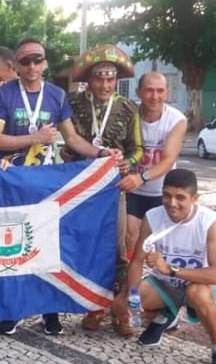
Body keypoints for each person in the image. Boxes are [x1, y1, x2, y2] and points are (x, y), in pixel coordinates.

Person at [0, 38, 122, 336]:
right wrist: (33, 138)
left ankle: (50, 311)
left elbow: (71, 139)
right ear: (16, 67)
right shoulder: (4, 95)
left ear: (45, 62)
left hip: (47, 183)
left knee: (49, 246)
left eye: (37, 60)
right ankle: (14, 309)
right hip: (12, 182)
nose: (32, 66)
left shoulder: (57, 95)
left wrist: (101, 154)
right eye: (25, 61)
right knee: (17, 248)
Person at [113, 169, 216, 364]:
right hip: (165, 284)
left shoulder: (210, 221)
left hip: (198, 283)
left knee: (197, 295)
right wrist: (130, 295)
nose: (172, 203)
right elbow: (137, 261)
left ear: (195, 198)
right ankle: (168, 313)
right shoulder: (152, 216)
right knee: (126, 304)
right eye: (166, 195)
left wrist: (171, 270)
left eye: (180, 197)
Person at [66, 44, 144, 333]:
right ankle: (94, 307)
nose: (105, 84)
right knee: (86, 247)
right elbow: (65, 141)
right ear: (89, 79)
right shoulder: (73, 104)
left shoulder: (127, 108)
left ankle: (121, 312)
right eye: (100, 77)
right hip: (79, 189)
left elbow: (138, 149)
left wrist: (129, 163)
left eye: (111, 78)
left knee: (118, 249)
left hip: (113, 189)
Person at [118, 72, 187, 272]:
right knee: (131, 236)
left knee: (161, 243)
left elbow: (168, 160)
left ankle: (161, 280)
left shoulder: (176, 119)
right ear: (139, 92)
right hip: (134, 192)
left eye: (160, 91)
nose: (154, 96)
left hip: (161, 192)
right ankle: (132, 283)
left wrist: (142, 177)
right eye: (149, 90)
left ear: (167, 93)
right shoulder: (129, 115)